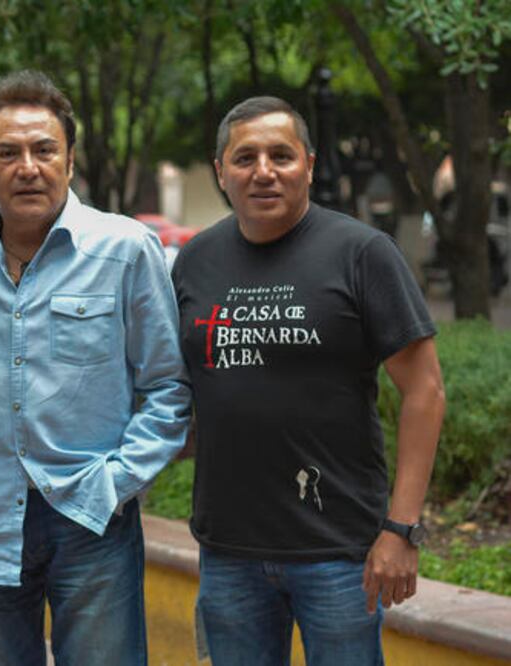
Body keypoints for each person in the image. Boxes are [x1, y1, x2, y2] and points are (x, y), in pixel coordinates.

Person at [0, 70, 192, 666]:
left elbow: (169, 387)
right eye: (7, 153)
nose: (26, 167)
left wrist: (115, 483)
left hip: (92, 517)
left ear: (70, 159)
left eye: (44, 150)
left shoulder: (126, 249)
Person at [172, 96, 445, 665]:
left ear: (310, 165)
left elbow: (425, 392)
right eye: (245, 158)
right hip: (229, 552)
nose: (264, 171)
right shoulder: (195, 260)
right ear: (221, 170)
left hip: (340, 552)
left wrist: (402, 529)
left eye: (281, 155)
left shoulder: (362, 253)